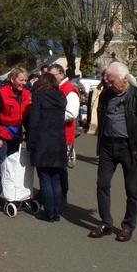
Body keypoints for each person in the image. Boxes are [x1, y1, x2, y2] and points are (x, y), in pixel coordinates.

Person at [89, 62, 137, 242]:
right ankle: (106, 222)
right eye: (107, 82)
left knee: (132, 189)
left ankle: (128, 226)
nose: (109, 85)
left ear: (124, 80)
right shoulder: (105, 95)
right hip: (107, 146)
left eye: (112, 82)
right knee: (102, 184)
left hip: (129, 148)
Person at [26, 73, 67, 221]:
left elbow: (34, 123)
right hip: (58, 141)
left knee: (44, 178)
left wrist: (30, 143)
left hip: (43, 142)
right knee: (56, 178)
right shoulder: (62, 98)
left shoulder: (39, 98)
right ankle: (56, 212)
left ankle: (49, 212)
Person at [0, 67, 32, 205]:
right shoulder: (1, 93)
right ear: (12, 79)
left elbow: (26, 118)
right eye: (21, 80)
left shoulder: (26, 94)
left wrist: (29, 135)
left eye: (25, 80)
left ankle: (10, 192)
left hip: (17, 133)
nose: (23, 83)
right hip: (2, 132)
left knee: (13, 166)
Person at [48, 63, 80, 206]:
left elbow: (71, 113)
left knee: (61, 168)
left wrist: (49, 117)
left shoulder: (70, 90)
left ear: (61, 74)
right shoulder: (57, 88)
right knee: (54, 167)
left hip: (64, 135)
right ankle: (53, 194)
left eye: (52, 75)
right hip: (54, 134)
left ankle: (62, 196)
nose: (50, 78)